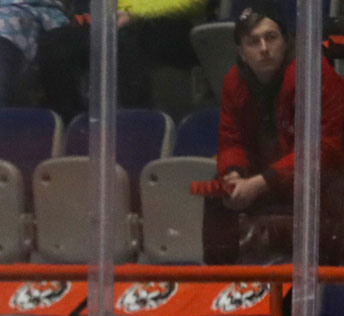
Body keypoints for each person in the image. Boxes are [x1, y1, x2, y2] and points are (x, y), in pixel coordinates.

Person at [204, 1, 344, 264]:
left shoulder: (315, 75)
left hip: (320, 178)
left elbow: (325, 151)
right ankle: (219, 281)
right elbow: (231, 140)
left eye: (271, 37)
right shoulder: (233, 82)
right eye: (253, 42)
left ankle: (333, 283)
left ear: (286, 40)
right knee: (218, 192)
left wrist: (259, 183)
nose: (264, 49)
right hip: (268, 178)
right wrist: (234, 173)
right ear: (241, 51)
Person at [37, 0, 206, 116]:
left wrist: (134, 15)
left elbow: (195, 4)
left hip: (172, 26)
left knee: (129, 37)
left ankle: (136, 121)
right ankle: (72, 124)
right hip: (123, 23)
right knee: (54, 41)